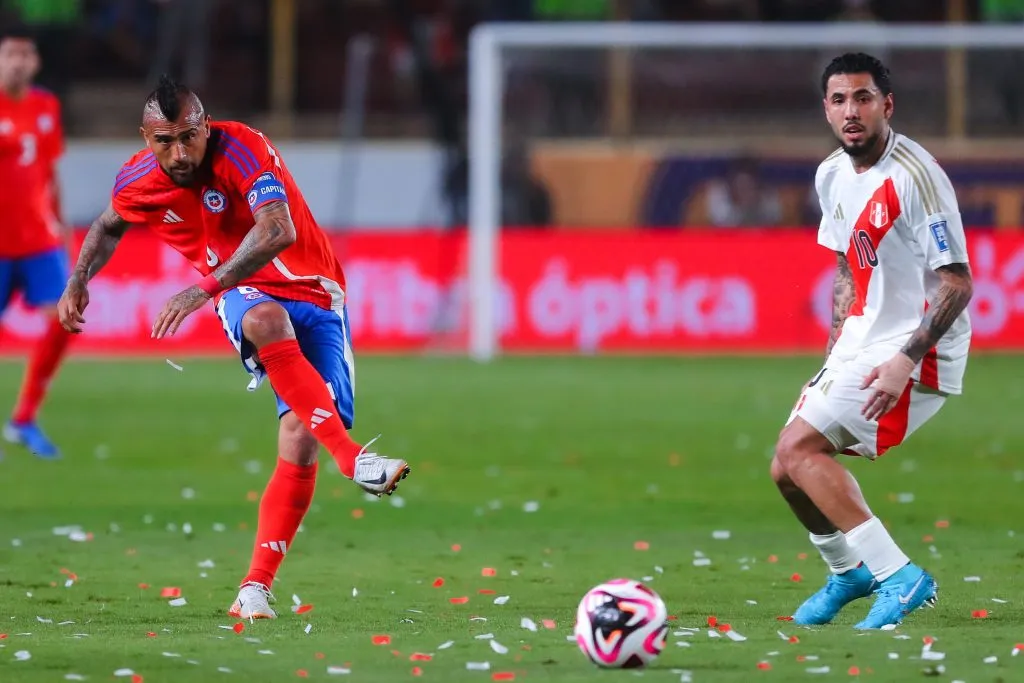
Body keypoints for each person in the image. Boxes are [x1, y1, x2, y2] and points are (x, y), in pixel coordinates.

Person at [56, 75, 411, 620]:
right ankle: (355, 459)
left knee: (300, 436)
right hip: (242, 290)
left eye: (189, 136)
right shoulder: (137, 180)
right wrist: (79, 277)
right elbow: (108, 226)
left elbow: (277, 230)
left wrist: (201, 287)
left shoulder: (241, 145)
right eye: (164, 141)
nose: (179, 152)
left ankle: (254, 589)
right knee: (265, 319)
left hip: (317, 291)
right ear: (145, 138)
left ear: (205, 125)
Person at [773, 53, 973, 629]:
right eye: (839, 100)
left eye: (862, 98)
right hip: (864, 335)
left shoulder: (916, 176)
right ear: (826, 109)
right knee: (785, 471)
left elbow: (957, 283)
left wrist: (902, 362)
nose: (850, 111)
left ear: (886, 105)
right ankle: (849, 572)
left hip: (917, 346)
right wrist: (835, 354)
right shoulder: (831, 173)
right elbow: (846, 269)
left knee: (800, 451)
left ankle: (901, 577)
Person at [0, 24, 73, 459]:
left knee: (65, 318)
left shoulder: (46, 106)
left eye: (26, 55)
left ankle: (24, 418)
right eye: (10, 54)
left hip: (39, 239)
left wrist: (62, 225)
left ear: (37, 62)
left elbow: (48, 171)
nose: (19, 62)